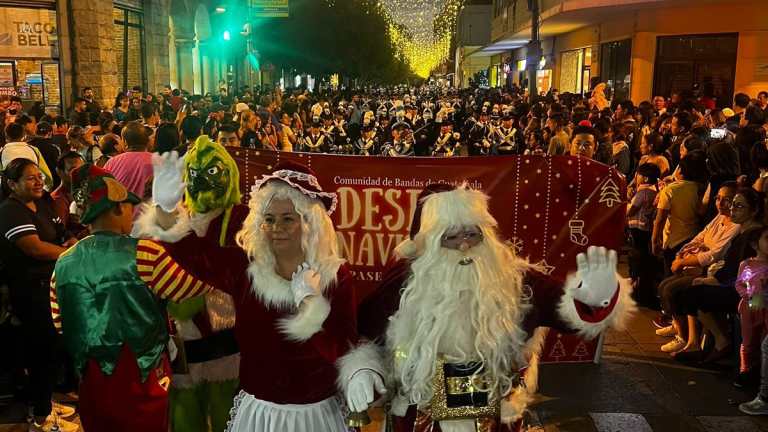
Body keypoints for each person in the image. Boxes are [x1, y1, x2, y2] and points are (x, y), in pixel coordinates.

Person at [342, 184, 634, 432]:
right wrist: (363, 370)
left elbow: (569, 311)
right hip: (420, 418)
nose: (464, 246)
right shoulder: (404, 285)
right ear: (427, 244)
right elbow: (366, 335)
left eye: (472, 234)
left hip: (495, 420)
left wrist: (597, 297)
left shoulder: (517, 280)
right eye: (451, 237)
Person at [144, 158, 360, 431]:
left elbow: (344, 350)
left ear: (310, 223)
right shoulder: (246, 269)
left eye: (288, 219)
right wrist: (165, 210)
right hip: (259, 414)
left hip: (317, 415)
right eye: (268, 219)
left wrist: (310, 306)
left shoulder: (336, 277)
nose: (276, 227)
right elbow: (193, 255)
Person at [51, 163, 215, 432]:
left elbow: (59, 321)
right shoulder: (144, 253)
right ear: (117, 208)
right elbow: (189, 287)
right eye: (129, 207)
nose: (133, 212)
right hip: (142, 375)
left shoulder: (63, 262)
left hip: (91, 378)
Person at [134, 136, 245, 432]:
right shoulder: (181, 217)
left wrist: (168, 222)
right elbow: (153, 264)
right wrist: (162, 213)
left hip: (228, 336)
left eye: (212, 172)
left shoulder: (241, 220)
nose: (202, 182)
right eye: (194, 174)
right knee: (184, 410)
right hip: (183, 336)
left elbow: (229, 270)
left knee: (228, 411)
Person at [0, 159, 78, 432]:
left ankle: (47, 402)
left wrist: (69, 240)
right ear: (12, 184)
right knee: (40, 351)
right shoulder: (10, 211)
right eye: (30, 178)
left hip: (53, 287)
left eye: (39, 176)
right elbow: (34, 248)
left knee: (53, 348)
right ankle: (41, 416)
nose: (38, 182)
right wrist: (73, 253)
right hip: (32, 292)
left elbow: (59, 233)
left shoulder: (42, 204)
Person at [655, 182, 740, 356]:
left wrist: (684, 262)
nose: (720, 203)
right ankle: (681, 331)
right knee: (665, 286)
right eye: (718, 199)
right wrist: (682, 254)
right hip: (702, 267)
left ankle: (687, 337)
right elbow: (700, 237)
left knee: (674, 290)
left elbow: (714, 254)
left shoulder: (736, 226)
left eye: (727, 200)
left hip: (715, 273)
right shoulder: (719, 218)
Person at [733, 226, 768, 389]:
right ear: (755, 245)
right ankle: (745, 370)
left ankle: (759, 372)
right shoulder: (749, 265)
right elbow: (740, 284)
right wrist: (748, 296)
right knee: (748, 340)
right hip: (751, 306)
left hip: (765, 308)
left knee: (763, 340)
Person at [627, 163, 662, 307]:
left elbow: (631, 211)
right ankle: (641, 292)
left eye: (638, 174)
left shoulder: (643, 193)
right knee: (643, 262)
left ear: (645, 178)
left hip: (638, 230)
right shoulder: (654, 191)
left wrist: (626, 204)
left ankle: (639, 293)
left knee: (638, 261)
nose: (636, 176)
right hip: (646, 230)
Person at [103, 122, 154, 199]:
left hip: (122, 209)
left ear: (125, 143)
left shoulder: (111, 163)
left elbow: (104, 189)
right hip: (150, 209)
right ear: (147, 141)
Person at [0, 122, 54, 190]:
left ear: (6, 136)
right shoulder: (33, 150)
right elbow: (47, 175)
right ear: (23, 135)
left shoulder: (2, 152)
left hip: (11, 192)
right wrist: (46, 188)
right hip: (31, 190)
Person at [50, 151, 86, 238]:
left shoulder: (83, 192)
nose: (79, 174)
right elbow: (61, 235)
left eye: (82, 169)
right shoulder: (58, 200)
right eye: (73, 170)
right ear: (59, 172)